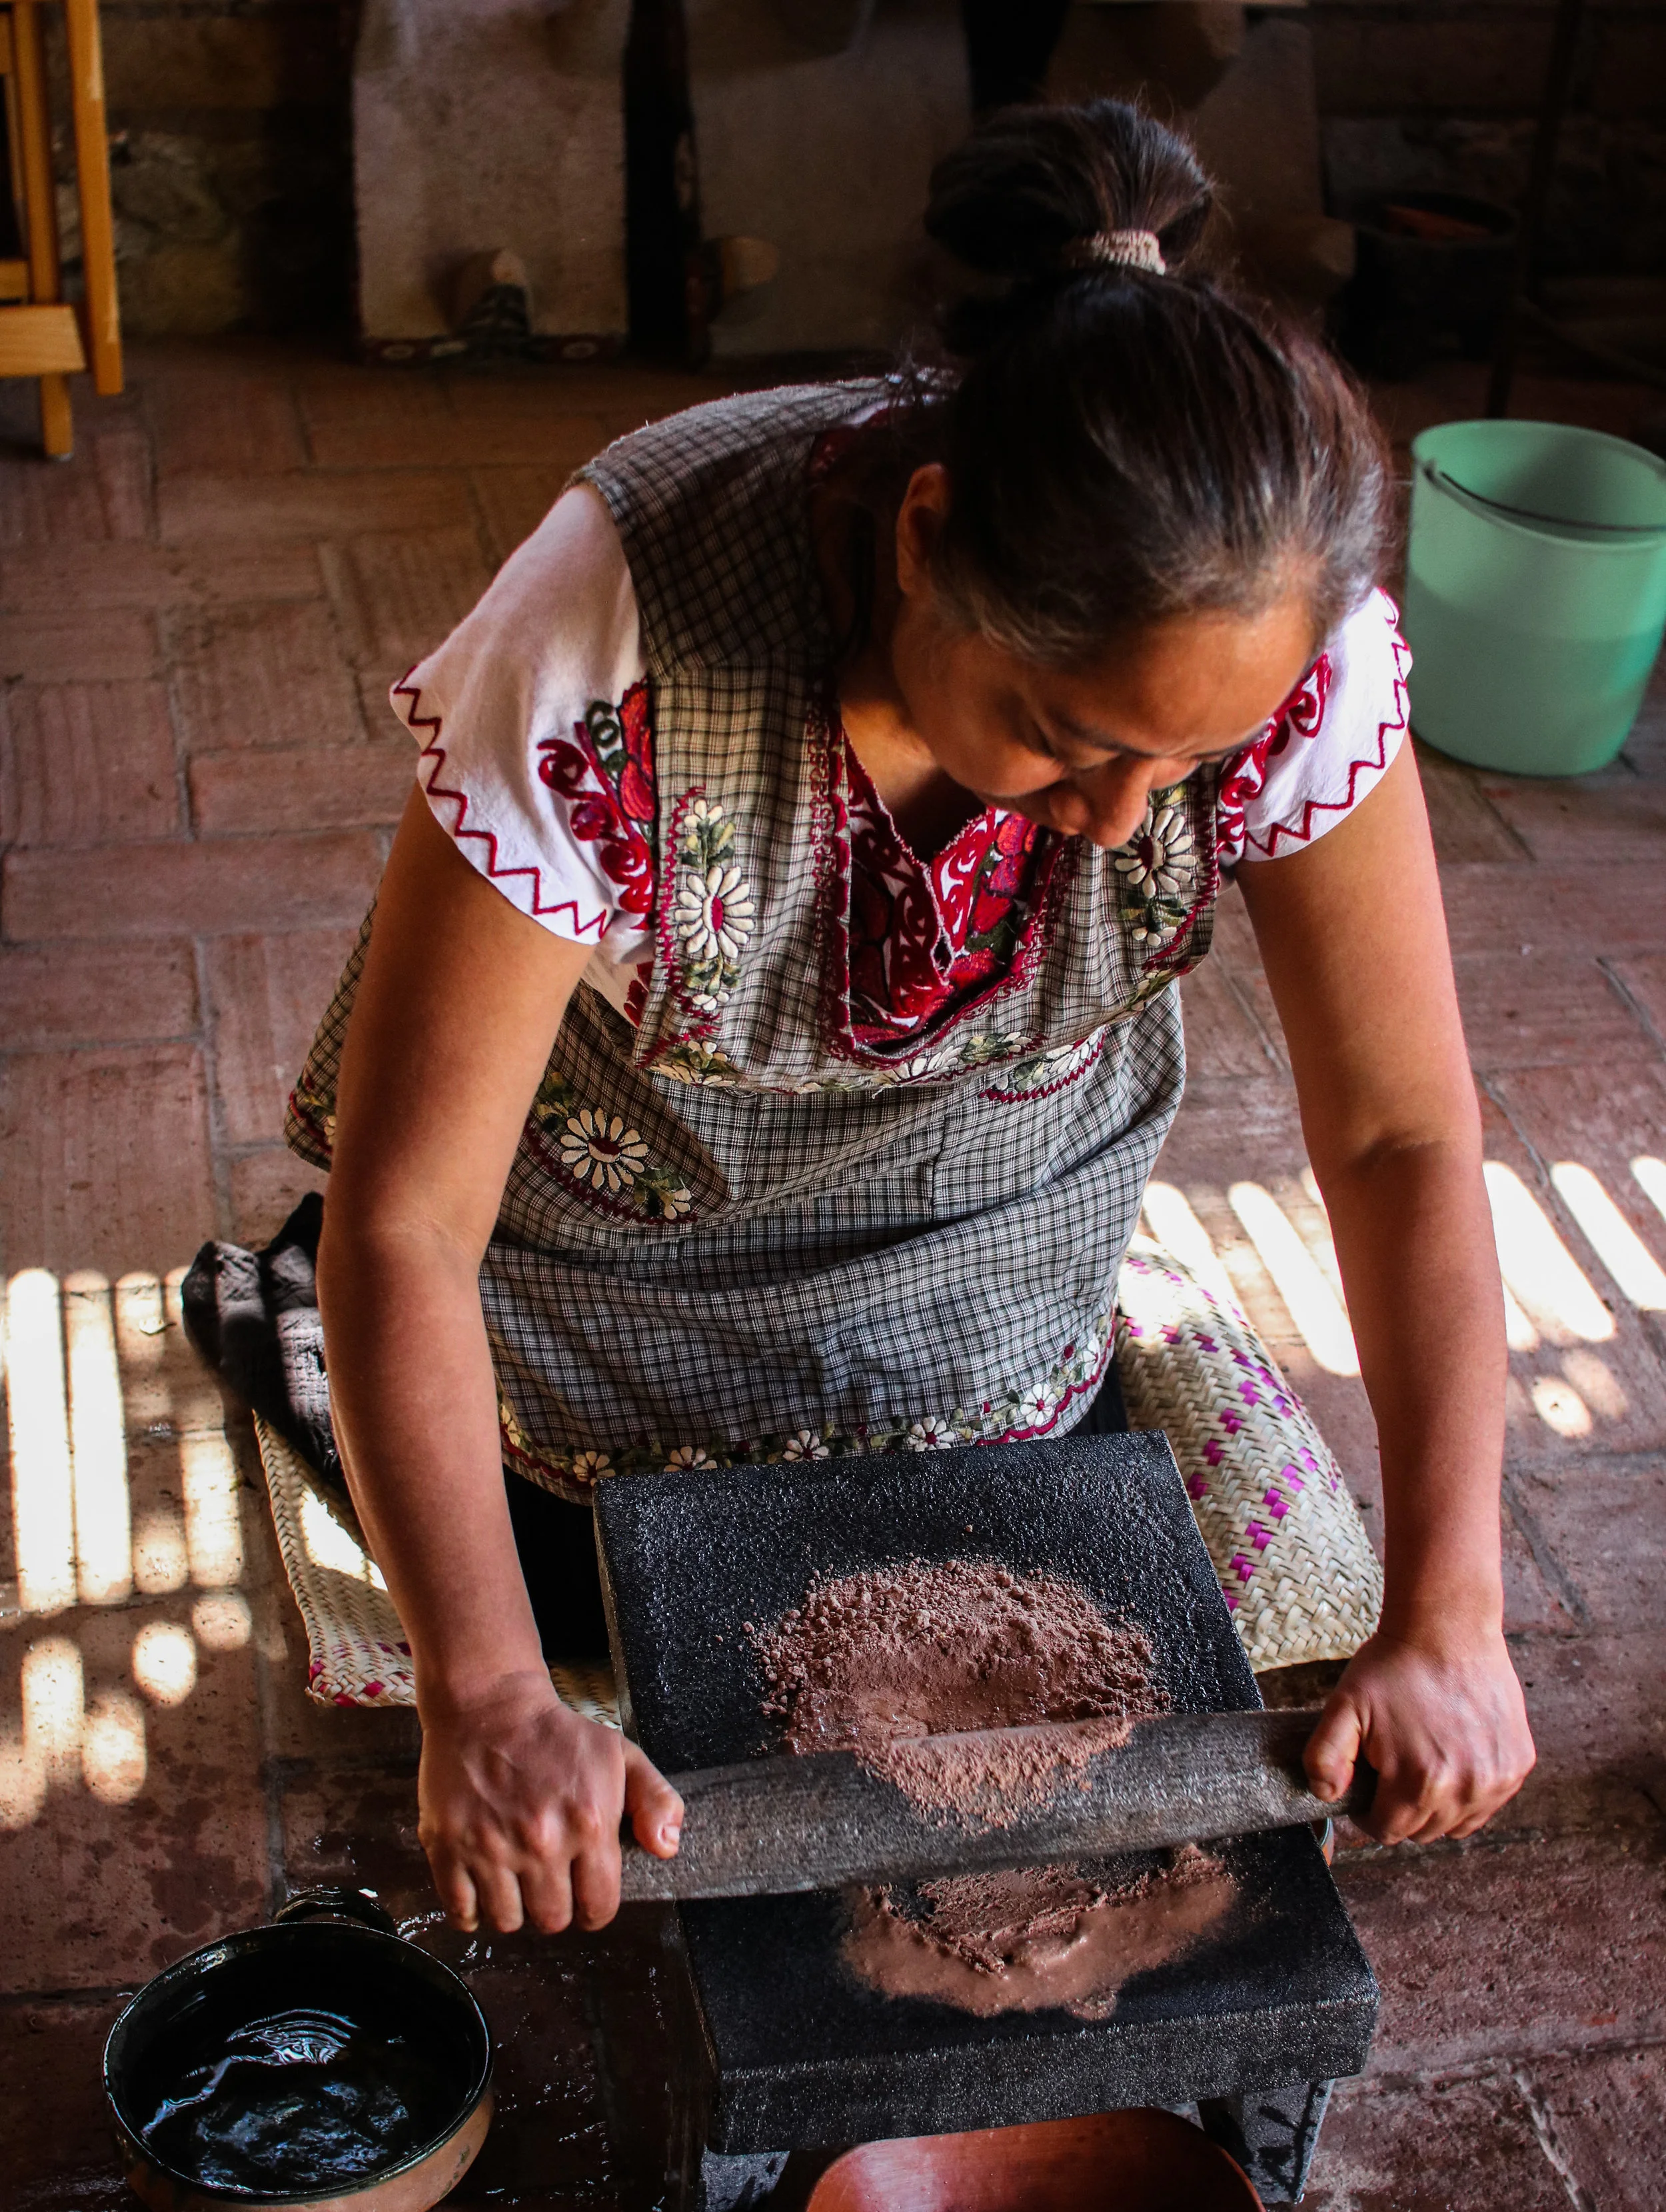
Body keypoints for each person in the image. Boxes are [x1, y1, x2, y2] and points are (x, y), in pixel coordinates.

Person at [292, 100, 1535, 1941]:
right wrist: (483, 1694)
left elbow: (1400, 1135)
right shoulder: (608, 643)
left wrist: (1448, 1608)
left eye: (1182, 763)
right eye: (1065, 733)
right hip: (624, 1307)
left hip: (999, 1273)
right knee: (629, 1634)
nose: (1125, 821)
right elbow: (402, 1218)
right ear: (925, 535)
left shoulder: (1282, 638)